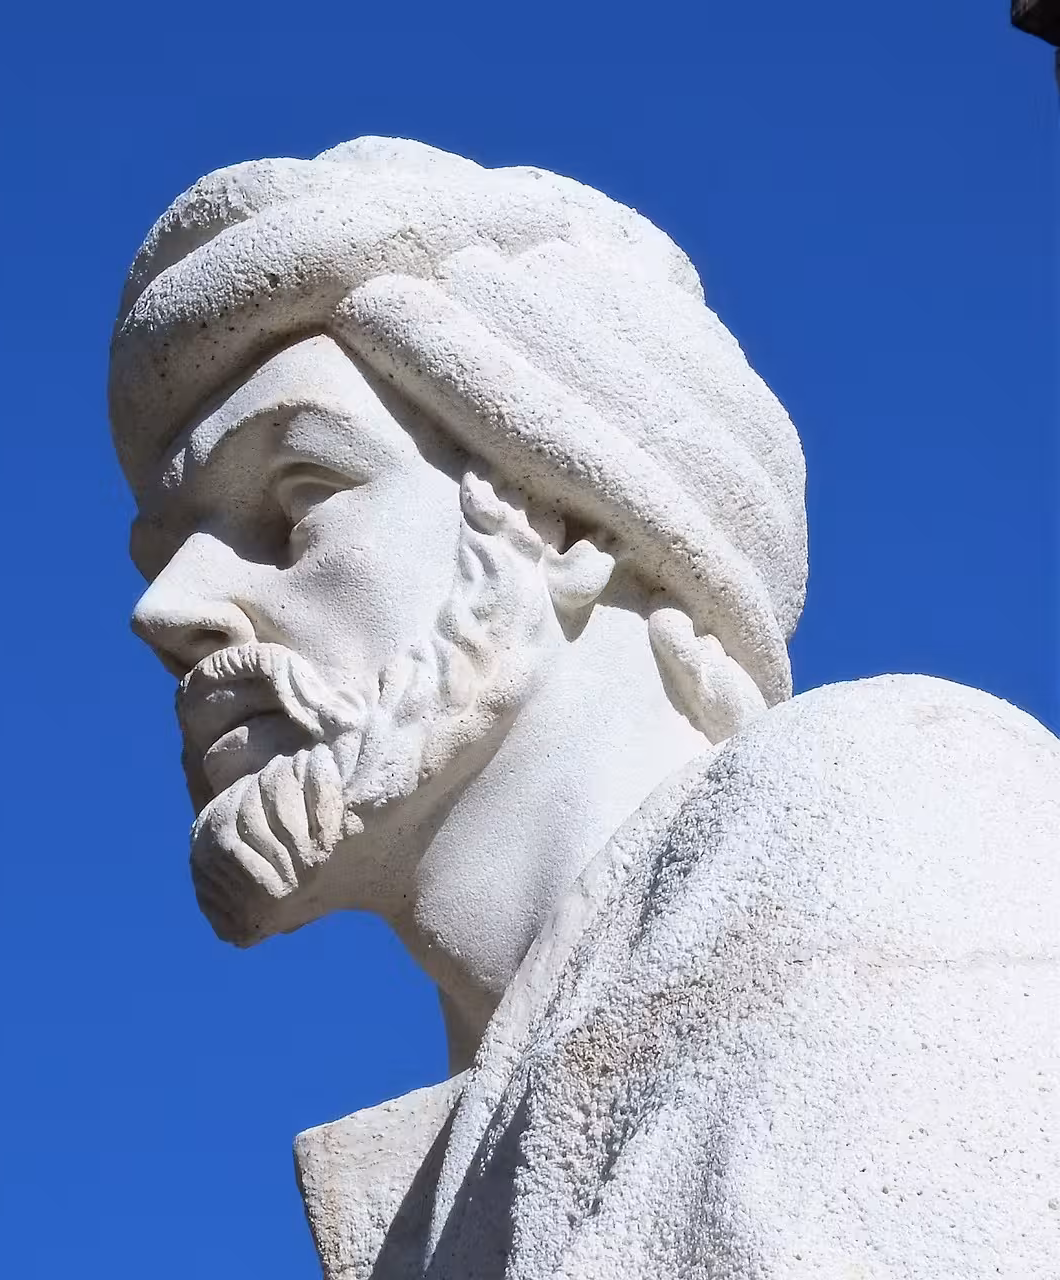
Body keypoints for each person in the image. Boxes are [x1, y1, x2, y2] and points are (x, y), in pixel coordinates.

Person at [112, 137, 1060, 1278]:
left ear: (562, 520)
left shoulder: (904, 810)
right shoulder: (439, 1182)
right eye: (164, 552)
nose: (172, 609)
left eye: (295, 495)